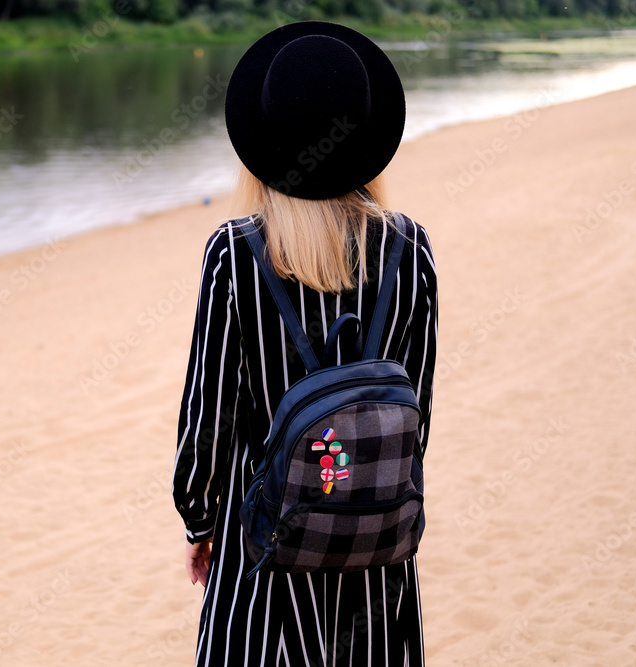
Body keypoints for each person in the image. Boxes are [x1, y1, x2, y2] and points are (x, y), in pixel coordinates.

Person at [172, 21, 438, 666]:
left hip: (263, 540)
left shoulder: (235, 253)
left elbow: (209, 413)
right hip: (374, 535)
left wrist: (200, 521)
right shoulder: (408, 249)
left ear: (262, 140)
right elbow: (417, 410)